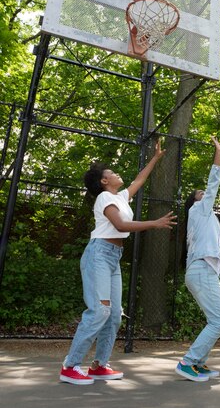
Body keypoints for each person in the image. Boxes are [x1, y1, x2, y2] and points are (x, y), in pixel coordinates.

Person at [60, 141, 177, 385]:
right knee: (99, 310)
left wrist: (156, 158)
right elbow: (121, 226)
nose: (116, 174)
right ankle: (70, 366)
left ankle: (99, 365)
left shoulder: (121, 197)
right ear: (104, 181)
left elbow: (139, 181)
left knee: (113, 315)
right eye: (111, 173)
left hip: (113, 256)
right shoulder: (104, 198)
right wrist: (154, 223)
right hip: (99, 254)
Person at [175, 137, 220, 382]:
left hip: (205, 272)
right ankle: (188, 361)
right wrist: (218, 154)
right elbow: (214, 182)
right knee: (219, 321)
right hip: (202, 271)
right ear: (195, 201)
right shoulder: (198, 210)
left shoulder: (205, 216)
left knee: (216, 320)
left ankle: (198, 362)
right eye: (201, 193)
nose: (205, 193)